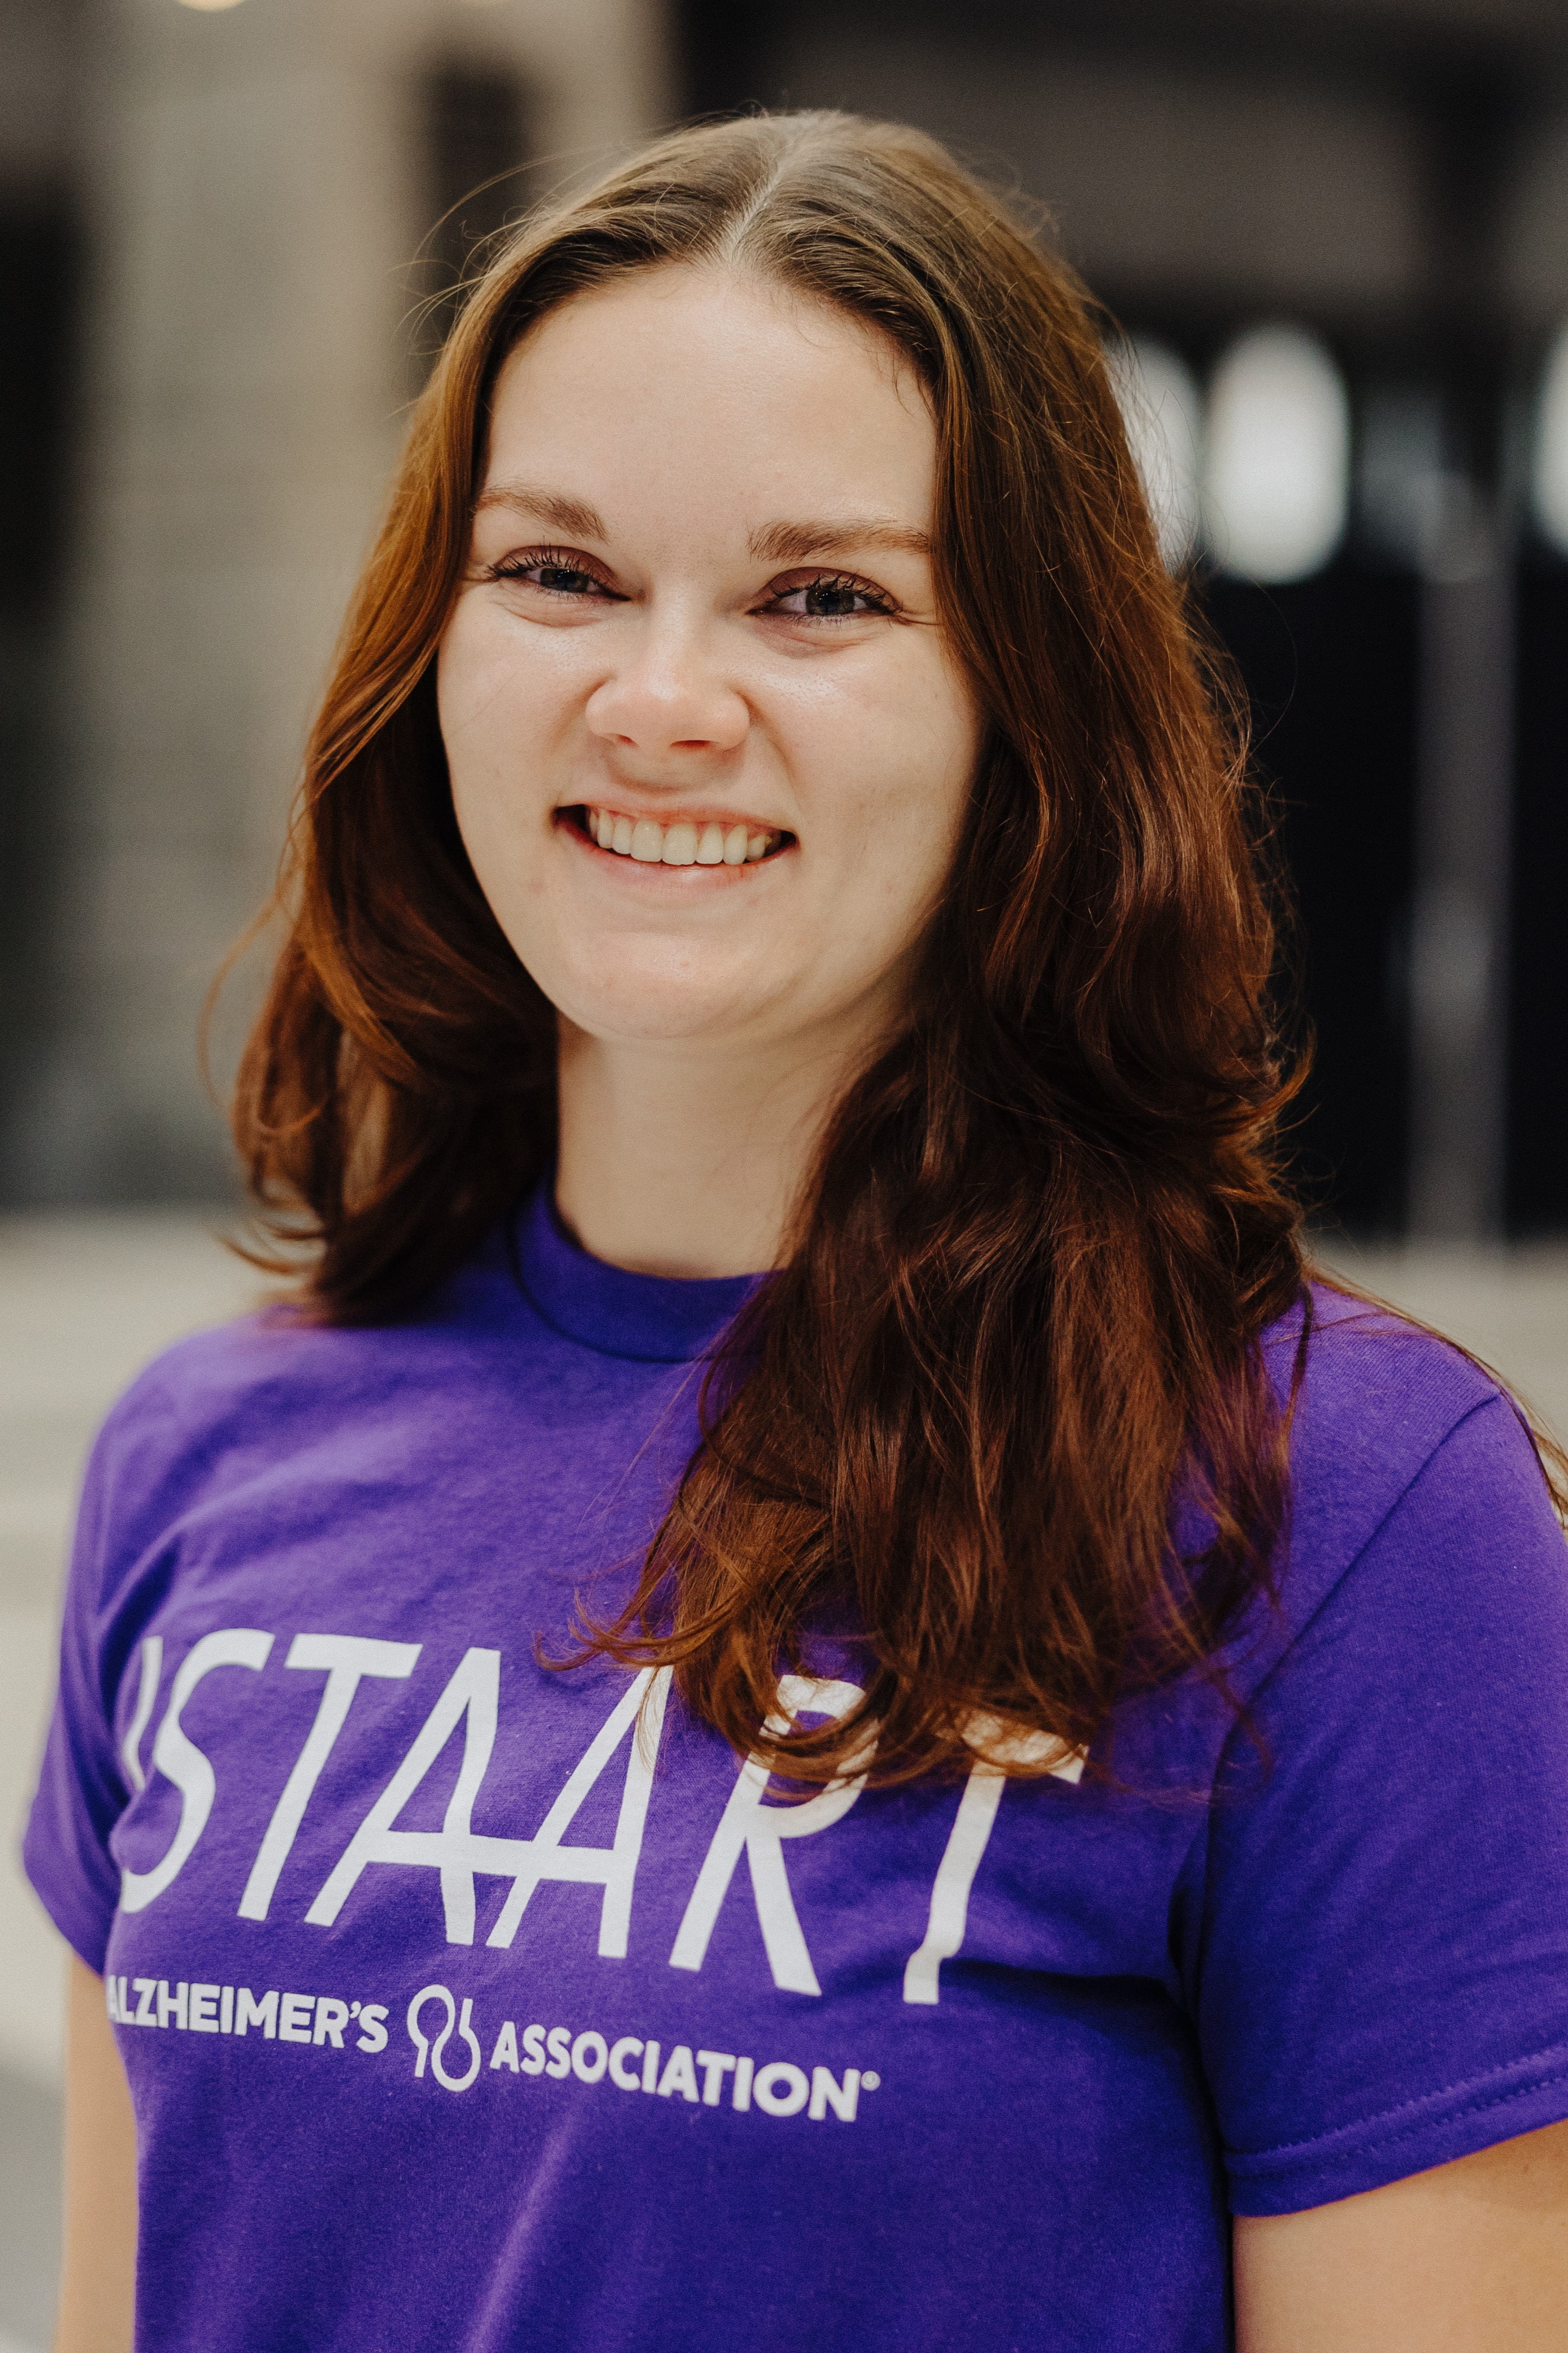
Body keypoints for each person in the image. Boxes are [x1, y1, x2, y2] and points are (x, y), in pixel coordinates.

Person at [26, 111, 1568, 2353]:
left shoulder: (1342, 1517)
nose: (660, 701)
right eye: (556, 573)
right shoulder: (204, 1460)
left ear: (1026, 706)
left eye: (819, 598)